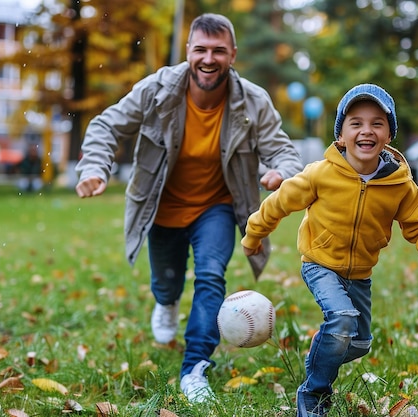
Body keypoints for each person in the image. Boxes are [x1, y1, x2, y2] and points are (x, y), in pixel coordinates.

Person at [74, 13, 303, 403]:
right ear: (188, 52)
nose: (208, 59)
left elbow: (282, 148)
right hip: (162, 205)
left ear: (232, 54)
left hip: (216, 206)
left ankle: (195, 367)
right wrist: (95, 166)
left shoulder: (253, 101)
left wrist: (282, 170)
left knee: (211, 276)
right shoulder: (157, 90)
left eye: (218, 51)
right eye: (200, 49)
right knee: (166, 282)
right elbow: (105, 125)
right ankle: (165, 303)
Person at [241, 83, 418, 417]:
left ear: (388, 135)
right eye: (356, 123)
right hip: (320, 262)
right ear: (341, 135)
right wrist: (254, 235)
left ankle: (322, 346)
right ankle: (313, 394)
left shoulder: (399, 184)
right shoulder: (320, 174)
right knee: (341, 320)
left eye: (376, 123)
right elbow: (279, 203)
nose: (366, 130)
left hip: (360, 273)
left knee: (358, 342)